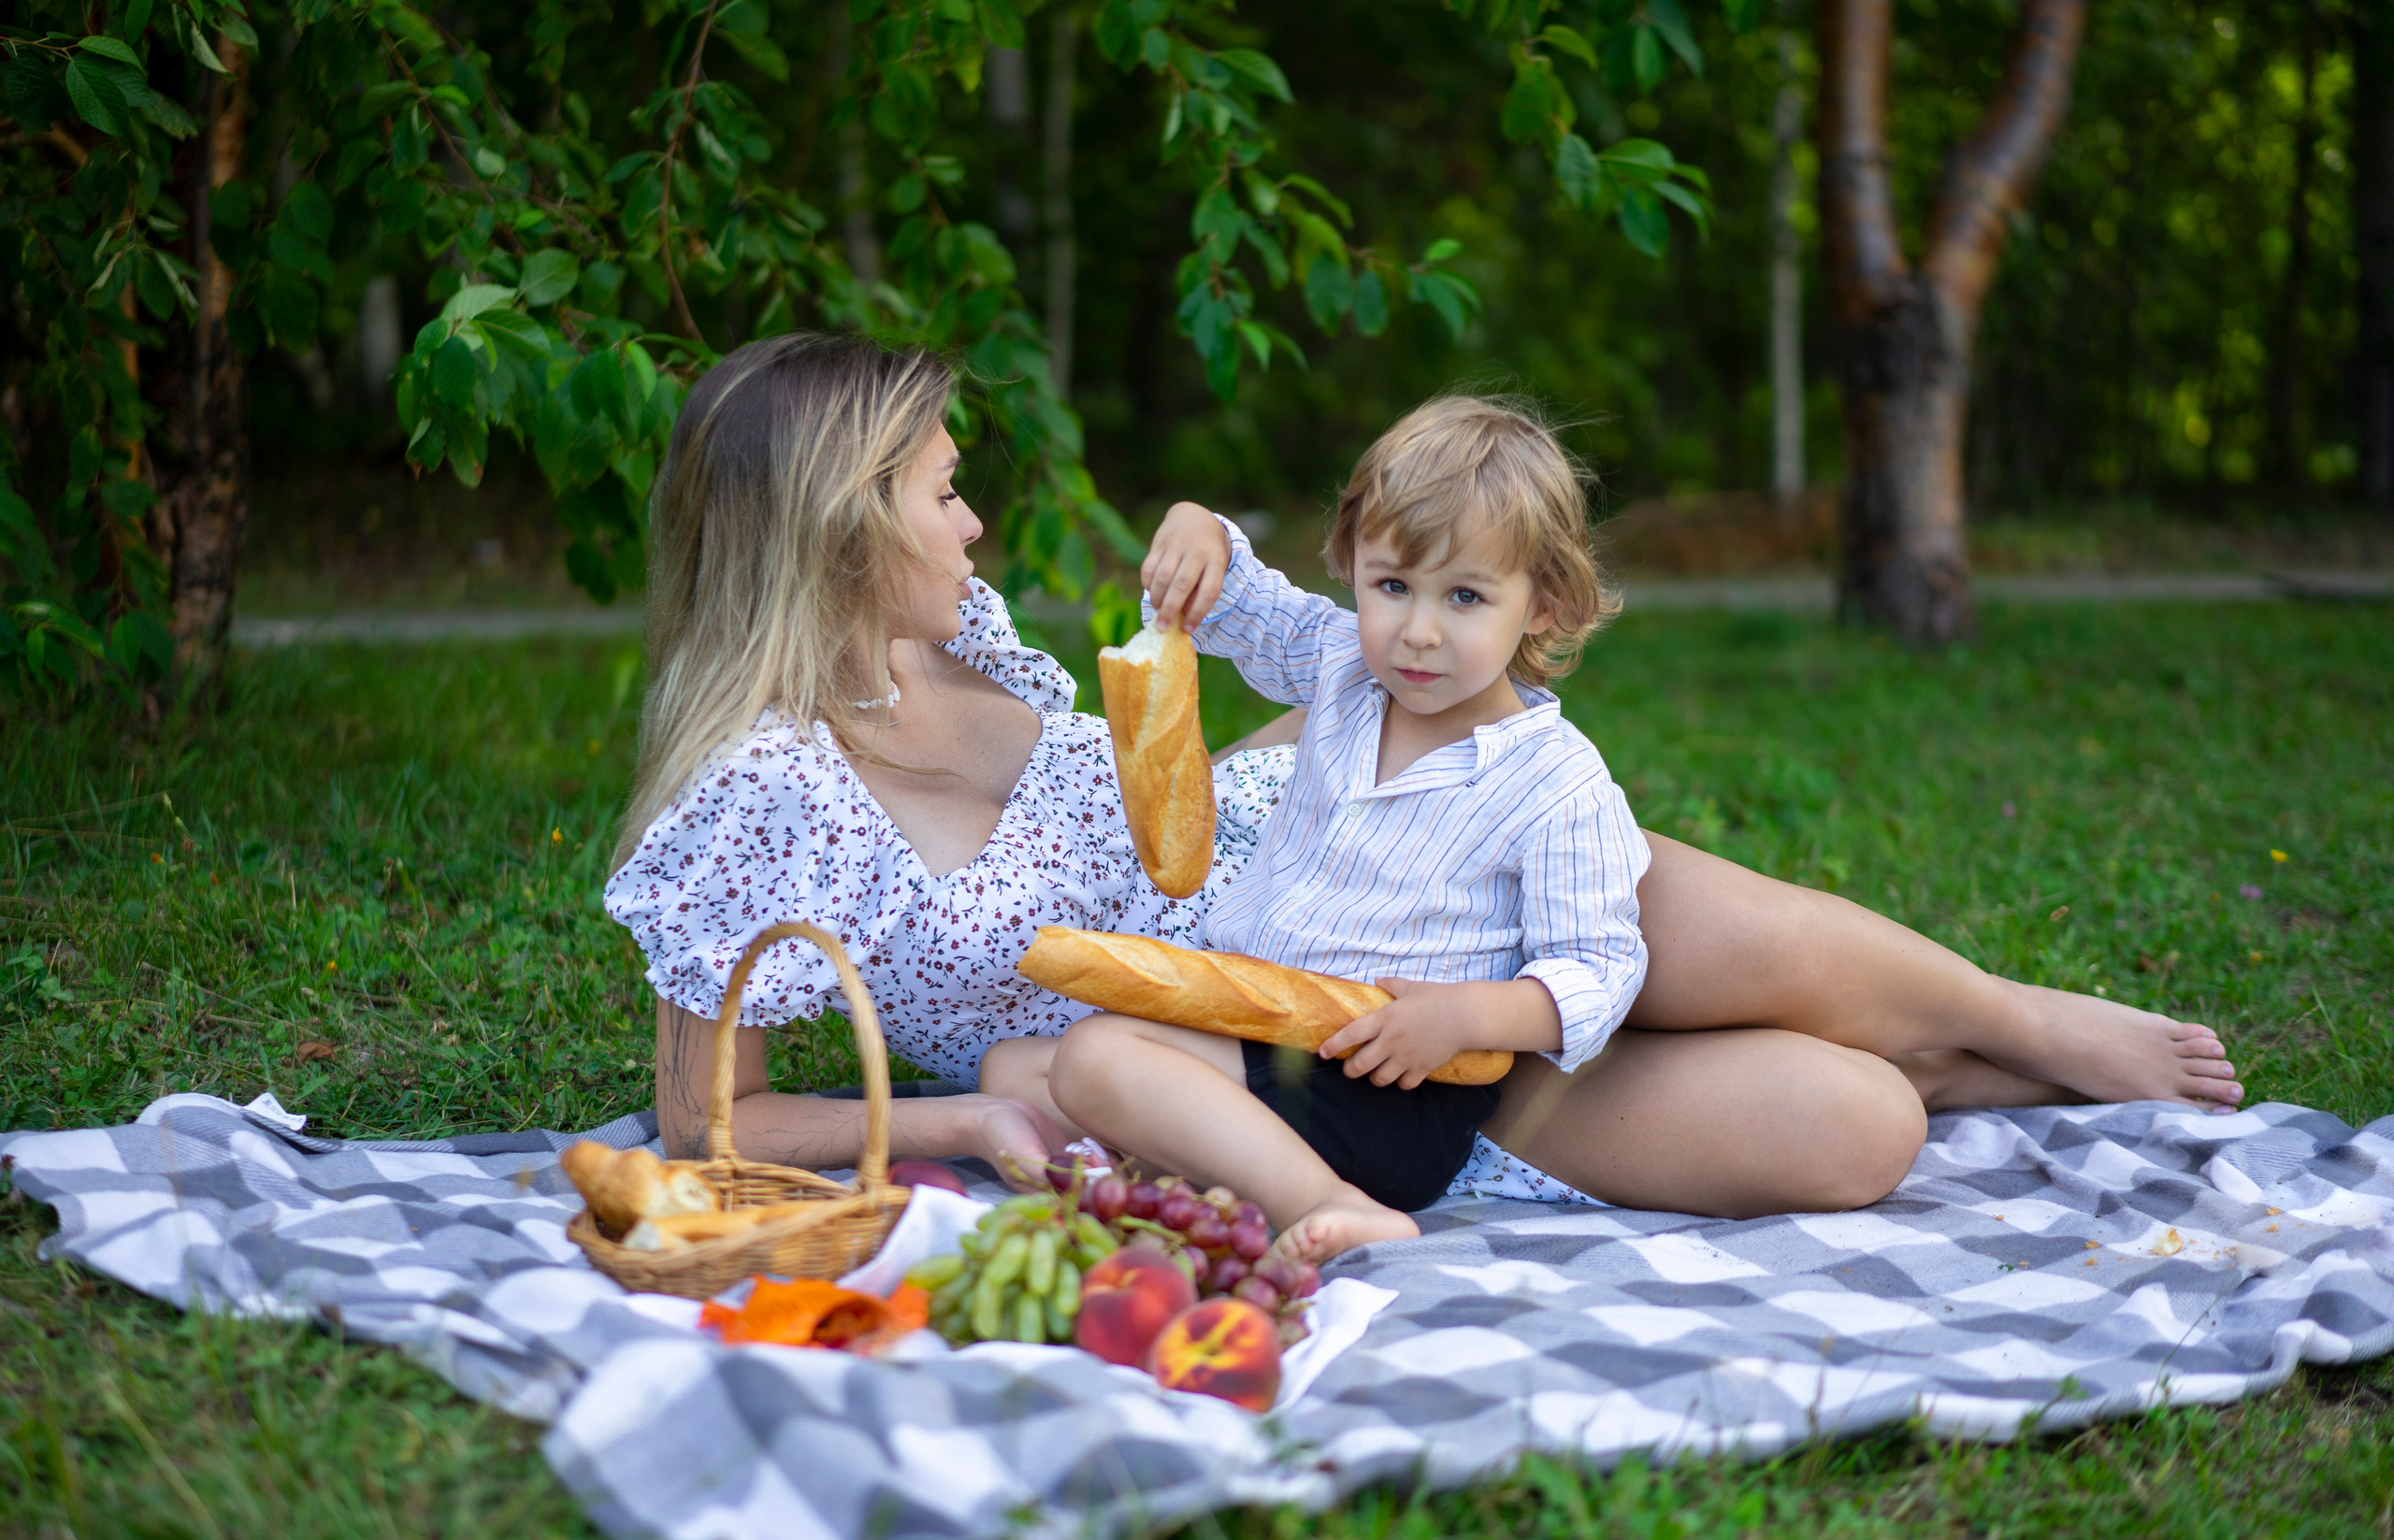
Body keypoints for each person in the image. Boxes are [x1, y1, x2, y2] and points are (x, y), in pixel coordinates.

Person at [606, 333, 2241, 1231]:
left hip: (1304, 858)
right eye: (942, 493)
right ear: (841, 528)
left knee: (1644, 891)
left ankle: (2023, 1021)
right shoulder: (758, 797)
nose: (973, 525)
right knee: (1846, 1118)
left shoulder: (954, 630)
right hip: (1243, 1052)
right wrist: (973, 1113)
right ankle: (1958, 1072)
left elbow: (1188, 729)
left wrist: (1240, 597)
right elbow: (705, 1118)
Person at [980, 397, 1651, 1260]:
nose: (1418, 631)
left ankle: (1325, 1201)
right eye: (1392, 586)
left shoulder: (1555, 779)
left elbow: (1600, 968)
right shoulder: (1344, 672)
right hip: (1266, 1034)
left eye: (1465, 596)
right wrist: (1196, 528)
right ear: (1354, 568)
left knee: (1095, 1058)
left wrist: (1465, 1016)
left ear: (1543, 605)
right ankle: (1204, 1178)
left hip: (1389, 1088)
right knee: (1011, 1070)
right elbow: (1247, 606)